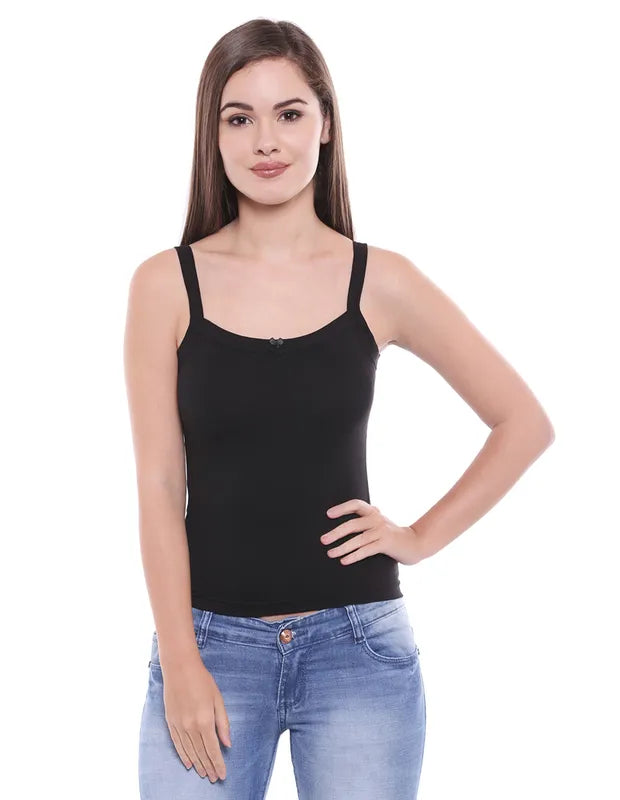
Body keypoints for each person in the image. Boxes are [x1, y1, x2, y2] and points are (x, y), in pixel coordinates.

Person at [123, 18, 554, 800]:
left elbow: (523, 422)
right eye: (239, 118)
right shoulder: (165, 284)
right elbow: (158, 486)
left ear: (325, 123)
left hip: (358, 651)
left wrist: (417, 537)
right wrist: (182, 661)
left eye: (289, 113)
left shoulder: (382, 280)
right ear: (212, 135)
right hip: (211, 646)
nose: (266, 140)